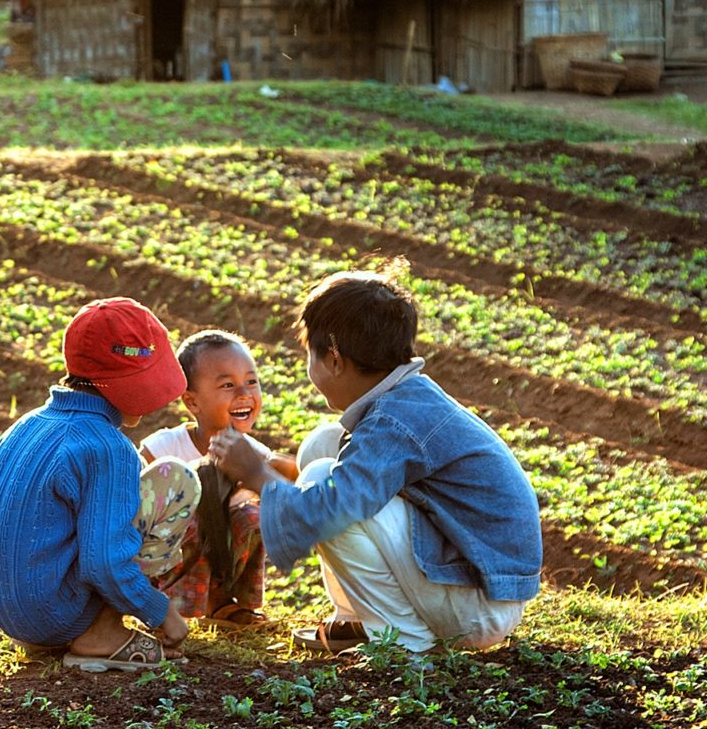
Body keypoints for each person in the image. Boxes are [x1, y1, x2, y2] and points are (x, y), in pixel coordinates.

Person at [209, 267, 543, 655]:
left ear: (334, 359)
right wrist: (279, 474)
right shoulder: (405, 397)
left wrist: (255, 473)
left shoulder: (393, 421)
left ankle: (401, 640)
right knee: (324, 447)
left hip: (478, 606)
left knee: (324, 484)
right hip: (480, 582)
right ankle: (359, 618)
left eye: (310, 354)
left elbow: (332, 507)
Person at [0, 297, 198, 671]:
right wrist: (160, 613)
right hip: (56, 614)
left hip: (11, 614)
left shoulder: (23, 427)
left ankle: (53, 632)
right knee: (177, 482)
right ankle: (101, 632)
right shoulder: (106, 447)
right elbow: (103, 561)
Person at [137, 331, 298, 627]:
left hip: (222, 555)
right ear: (192, 402)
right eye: (228, 385)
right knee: (196, 512)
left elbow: (293, 487)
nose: (244, 393)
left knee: (253, 515)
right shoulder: (162, 448)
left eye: (251, 381)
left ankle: (222, 601)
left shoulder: (255, 456)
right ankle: (164, 602)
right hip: (163, 561)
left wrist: (277, 467)